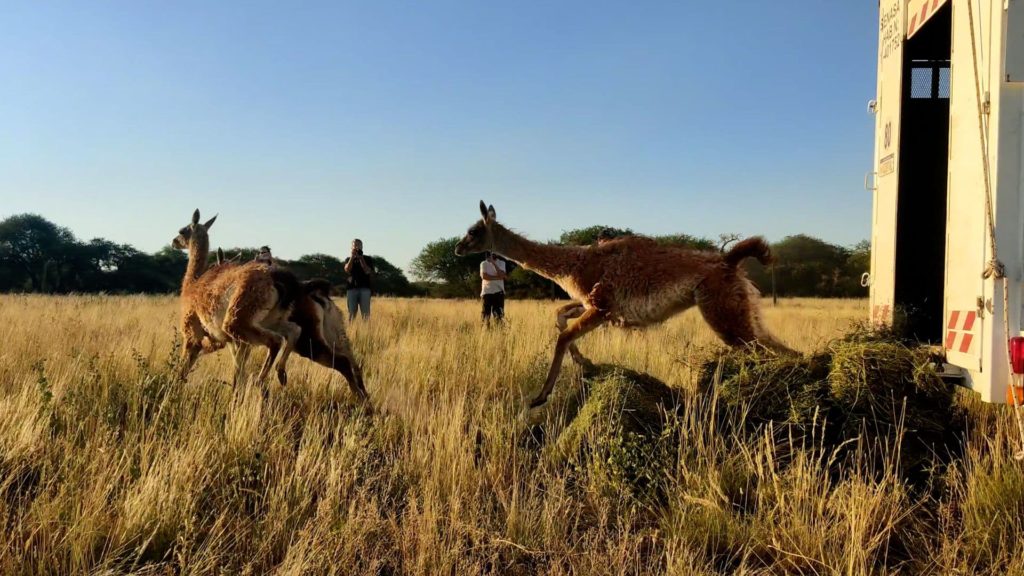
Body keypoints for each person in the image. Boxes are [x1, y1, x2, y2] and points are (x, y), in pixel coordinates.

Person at [344, 238, 375, 320]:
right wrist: (352, 257)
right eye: (355, 245)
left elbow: (367, 271)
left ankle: (366, 331)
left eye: (359, 245)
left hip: (364, 288)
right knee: (351, 313)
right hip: (351, 288)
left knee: (365, 314)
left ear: (362, 247)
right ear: (351, 247)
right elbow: (347, 269)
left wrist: (361, 258)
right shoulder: (348, 259)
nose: (357, 247)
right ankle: (352, 331)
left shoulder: (368, 259)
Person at [480, 251, 507, 326]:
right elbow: (484, 276)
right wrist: (498, 278)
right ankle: (485, 334)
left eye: (495, 252)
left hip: (499, 292)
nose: (493, 254)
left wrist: (494, 263)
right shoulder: (483, 263)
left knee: (499, 316)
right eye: (491, 253)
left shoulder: (502, 263)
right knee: (485, 315)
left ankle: (499, 334)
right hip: (486, 292)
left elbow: (502, 275)